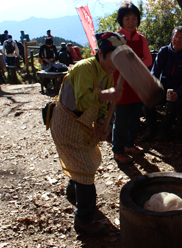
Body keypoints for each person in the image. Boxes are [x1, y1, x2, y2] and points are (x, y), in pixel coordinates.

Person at [50, 32, 125, 237]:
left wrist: (102, 121)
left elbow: (101, 106)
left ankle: (73, 190)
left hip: (82, 125)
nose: (116, 64)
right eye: (113, 58)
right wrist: (108, 94)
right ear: (100, 53)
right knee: (85, 173)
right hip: (66, 125)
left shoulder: (108, 73)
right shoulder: (84, 68)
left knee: (83, 162)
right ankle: (84, 219)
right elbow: (83, 101)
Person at [112, 2, 152, 163]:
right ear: (121, 20)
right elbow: (112, 60)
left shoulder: (141, 38)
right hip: (120, 84)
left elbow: (148, 59)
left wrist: (133, 68)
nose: (131, 21)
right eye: (127, 18)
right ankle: (118, 150)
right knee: (120, 119)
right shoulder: (115, 38)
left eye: (134, 18)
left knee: (134, 117)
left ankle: (129, 144)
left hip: (136, 83)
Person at [141, 26, 182, 142]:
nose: (178, 40)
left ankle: (163, 131)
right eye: (176, 36)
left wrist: (179, 92)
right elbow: (155, 72)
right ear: (171, 38)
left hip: (179, 91)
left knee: (173, 104)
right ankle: (151, 129)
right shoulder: (164, 52)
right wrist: (152, 88)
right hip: (162, 88)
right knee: (147, 101)